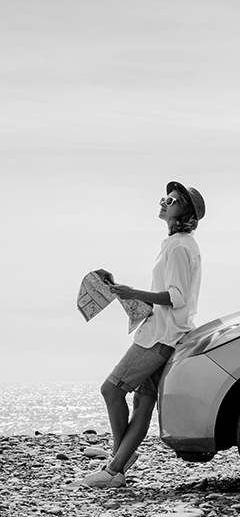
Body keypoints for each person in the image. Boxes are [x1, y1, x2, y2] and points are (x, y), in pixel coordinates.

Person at [78, 181, 206, 488]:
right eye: (165, 198)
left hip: (160, 337)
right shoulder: (180, 244)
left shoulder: (178, 247)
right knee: (143, 401)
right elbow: (173, 298)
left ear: (183, 211)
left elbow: (175, 297)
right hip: (169, 332)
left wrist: (133, 291)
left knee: (111, 390)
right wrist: (124, 291)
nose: (164, 202)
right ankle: (117, 466)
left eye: (172, 201)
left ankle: (116, 463)